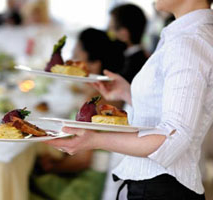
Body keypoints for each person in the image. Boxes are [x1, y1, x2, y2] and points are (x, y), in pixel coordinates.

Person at [45, 0, 213, 199]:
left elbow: (174, 136)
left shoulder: (188, 41)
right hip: (159, 185)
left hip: (160, 189)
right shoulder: (184, 35)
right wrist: (128, 93)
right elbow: (173, 112)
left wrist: (95, 139)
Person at [108, 4, 148, 83]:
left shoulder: (130, 66)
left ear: (124, 33)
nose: (109, 33)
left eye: (112, 28)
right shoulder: (143, 58)